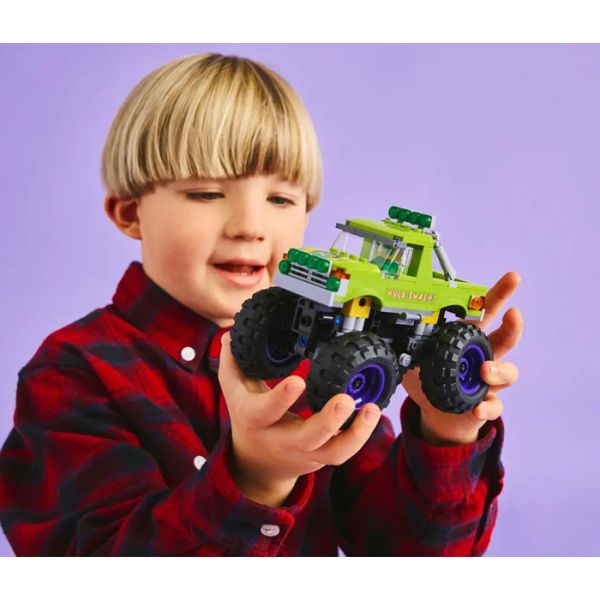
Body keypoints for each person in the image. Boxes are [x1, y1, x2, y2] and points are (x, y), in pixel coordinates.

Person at [0, 52, 522, 556]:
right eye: (206, 193)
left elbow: (410, 556)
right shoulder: (74, 374)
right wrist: (254, 477)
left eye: (280, 199)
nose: (250, 226)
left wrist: (446, 430)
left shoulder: (321, 361)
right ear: (130, 213)